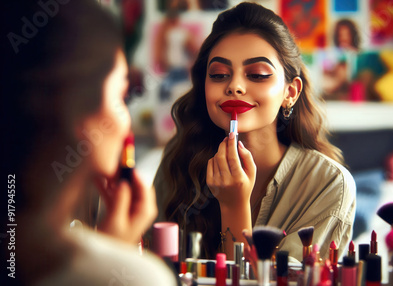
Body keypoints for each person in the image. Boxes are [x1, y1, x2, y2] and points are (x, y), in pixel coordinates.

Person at [152, 2, 356, 262]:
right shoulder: (179, 158)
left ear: (290, 93)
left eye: (257, 74)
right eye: (218, 74)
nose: (235, 86)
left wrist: (233, 205)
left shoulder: (329, 184)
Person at [2, 1, 177, 285]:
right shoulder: (140, 277)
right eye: (121, 95)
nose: (126, 123)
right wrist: (116, 261)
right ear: (78, 109)